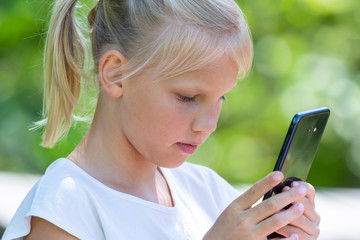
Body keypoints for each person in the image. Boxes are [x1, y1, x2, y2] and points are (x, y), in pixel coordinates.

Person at [2, 0, 320, 239]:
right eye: (188, 97)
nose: (208, 123)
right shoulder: (64, 207)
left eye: (221, 97)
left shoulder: (207, 191)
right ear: (116, 74)